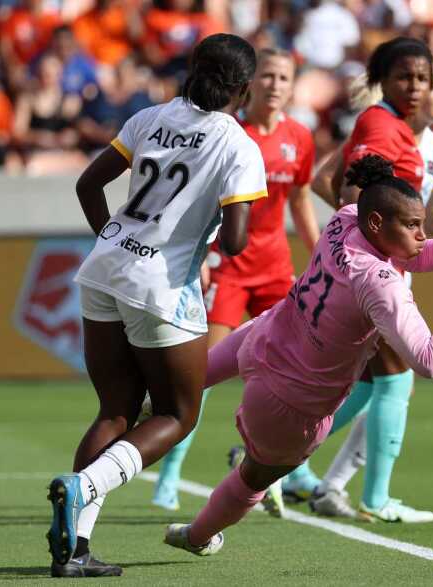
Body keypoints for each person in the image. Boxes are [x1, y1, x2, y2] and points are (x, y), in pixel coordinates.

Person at [164, 154, 433, 557]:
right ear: (377, 222)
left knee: (180, 390)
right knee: (255, 477)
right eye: (413, 225)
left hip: (262, 338)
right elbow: (429, 360)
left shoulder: (345, 218)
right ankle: (197, 536)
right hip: (291, 403)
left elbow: (409, 251)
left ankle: (137, 419)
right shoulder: (381, 286)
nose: (421, 235)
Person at [46, 33, 265, 578]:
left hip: (102, 269)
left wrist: (115, 241)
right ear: (243, 88)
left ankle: (75, 548)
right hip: (161, 285)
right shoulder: (237, 145)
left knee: (116, 411)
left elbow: (87, 184)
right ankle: (83, 487)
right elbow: (237, 241)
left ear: (193, 67)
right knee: (177, 413)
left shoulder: (148, 118)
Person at [310, 56, 433, 520]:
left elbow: (428, 221)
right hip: (372, 276)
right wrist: (364, 246)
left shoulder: (430, 146)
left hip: (390, 268)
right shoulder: (381, 129)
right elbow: (337, 189)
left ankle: (314, 477)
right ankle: (303, 467)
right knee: (397, 379)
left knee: (377, 385)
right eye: (429, 82)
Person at [150, 47, 321, 516]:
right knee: (203, 374)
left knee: (300, 368)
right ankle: (169, 474)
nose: (276, 84)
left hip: (275, 268)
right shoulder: (229, 133)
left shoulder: (299, 138)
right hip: (230, 267)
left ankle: (290, 469)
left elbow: (301, 199)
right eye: (267, 75)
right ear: (250, 84)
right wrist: (203, 253)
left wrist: (323, 256)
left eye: (285, 77)